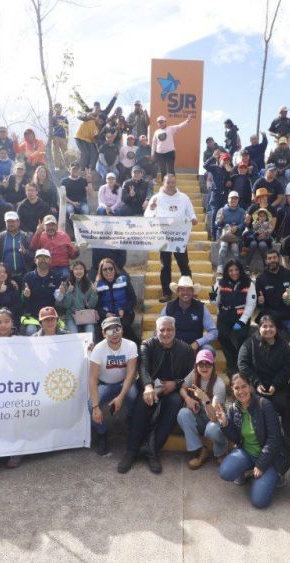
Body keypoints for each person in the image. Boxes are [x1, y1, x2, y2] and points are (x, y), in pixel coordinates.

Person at [121, 316, 193, 474]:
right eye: (162, 330)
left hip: (172, 389)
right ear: (156, 331)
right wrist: (148, 386)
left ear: (175, 330)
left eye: (169, 330)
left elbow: (189, 374)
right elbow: (143, 368)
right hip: (151, 387)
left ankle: (152, 450)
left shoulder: (186, 349)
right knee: (142, 403)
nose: (166, 333)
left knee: (175, 402)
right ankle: (131, 451)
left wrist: (176, 383)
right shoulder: (147, 345)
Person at [216, 372, 290, 508]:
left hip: (270, 458)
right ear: (232, 390)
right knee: (225, 472)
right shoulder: (233, 409)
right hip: (247, 452)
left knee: (259, 501)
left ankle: (275, 475)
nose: (241, 391)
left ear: (250, 387)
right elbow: (236, 438)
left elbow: (274, 439)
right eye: (237, 388)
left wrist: (261, 464)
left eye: (243, 386)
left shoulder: (264, 405)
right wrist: (225, 423)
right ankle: (249, 469)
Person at [88, 316, 139, 457]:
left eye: (117, 329)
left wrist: (120, 397)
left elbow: (130, 373)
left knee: (134, 395)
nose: (114, 333)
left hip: (125, 382)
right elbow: (92, 378)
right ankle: (102, 433)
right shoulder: (98, 349)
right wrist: (96, 407)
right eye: (109, 331)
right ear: (104, 334)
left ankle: (131, 423)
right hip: (105, 384)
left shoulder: (130, 346)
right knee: (90, 404)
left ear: (122, 330)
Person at [238, 315, 290, 438]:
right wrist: (256, 383)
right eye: (265, 326)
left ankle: (286, 437)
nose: (268, 329)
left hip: (278, 385)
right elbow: (242, 364)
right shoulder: (250, 343)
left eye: (271, 326)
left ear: (276, 328)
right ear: (259, 328)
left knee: (282, 404)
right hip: (256, 383)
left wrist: (275, 384)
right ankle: (256, 435)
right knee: (256, 405)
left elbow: (287, 369)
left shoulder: (285, 347)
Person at [146, 175, 197, 303]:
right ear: (163, 183)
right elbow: (147, 216)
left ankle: (190, 291)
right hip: (164, 237)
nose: (170, 184)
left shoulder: (184, 197)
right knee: (165, 266)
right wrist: (151, 208)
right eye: (168, 182)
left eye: (173, 182)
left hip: (179, 237)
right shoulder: (156, 198)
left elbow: (190, 212)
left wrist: (193, 218)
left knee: (184, 265)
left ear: (176, 182)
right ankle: (167, 293)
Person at [177, 349, 229, 469]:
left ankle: (221, 452)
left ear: (213, 365)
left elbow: (214, 417)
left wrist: (205, 399)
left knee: (212, 429)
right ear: (196, 365)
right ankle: (201, 451)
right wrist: (187, 399)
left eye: (208, 364)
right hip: (199, 416)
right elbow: (182, 388)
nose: (204, 367)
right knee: (183, 413)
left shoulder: (219, 385)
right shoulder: (194, 374)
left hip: (215, 421)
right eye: (201, 364)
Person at [213, 259, 256, 376]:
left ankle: (237, 364)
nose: (234, 272)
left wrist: (242, 321)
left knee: (242, 336)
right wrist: (213, 298)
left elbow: (251, 304)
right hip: (225, 315)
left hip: (241, 316)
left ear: (240, 270)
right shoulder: (220, 283)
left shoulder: (248, 283)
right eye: (230, 270)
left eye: (236, 269)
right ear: (227, 271)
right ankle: (231, 360)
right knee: (222, 336)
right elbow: (215, 303)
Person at [54, 261, 97, 334]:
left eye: (81, 269)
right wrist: (69, 292)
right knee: (73, 334)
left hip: (85, 315)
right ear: (72, 271)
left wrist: (94, 293)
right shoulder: (66, 284)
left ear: (84, 271)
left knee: (90, 331)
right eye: (76, 269)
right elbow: (66, 305)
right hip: (71, 316)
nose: (79, 271)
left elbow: (91, 305)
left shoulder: (89, 284)